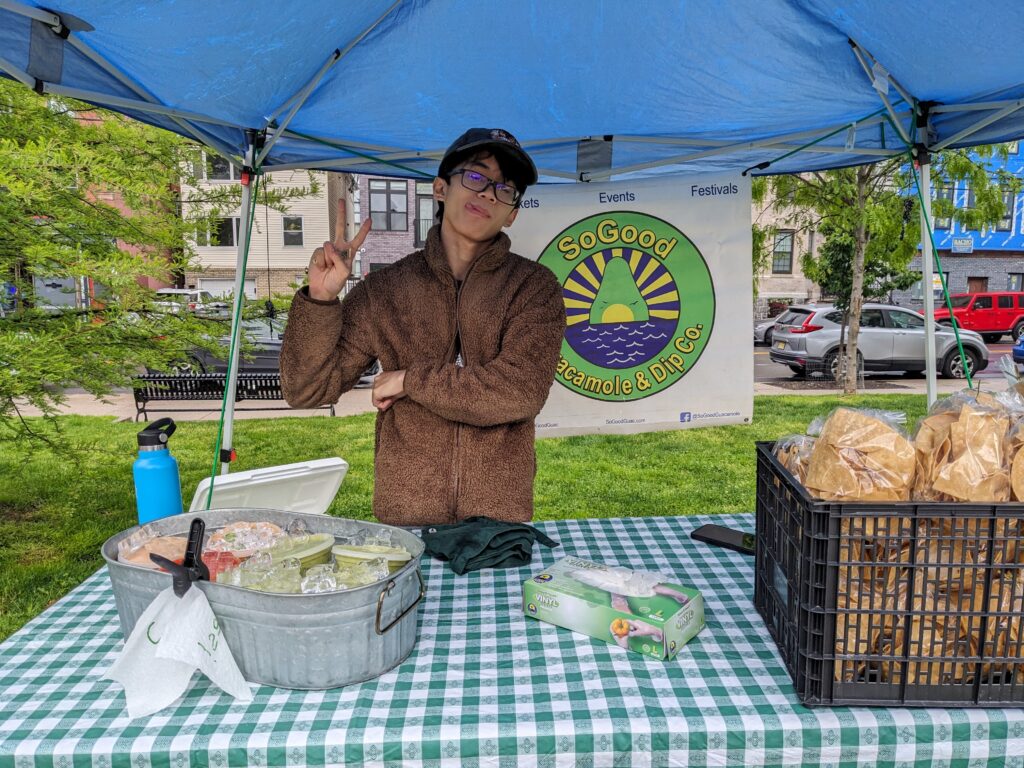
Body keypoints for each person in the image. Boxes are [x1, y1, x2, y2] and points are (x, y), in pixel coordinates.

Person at [280, 128, 566, 526]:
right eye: (475, 176)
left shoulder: (534, 287)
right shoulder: (385, 289)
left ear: (513, 213)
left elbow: (518, 394)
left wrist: (408, 380)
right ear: (440, 189)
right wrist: (321, 300)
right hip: (406, 518)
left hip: (498, 525)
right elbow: (306, 390)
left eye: (504, 189)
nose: (487, 193)